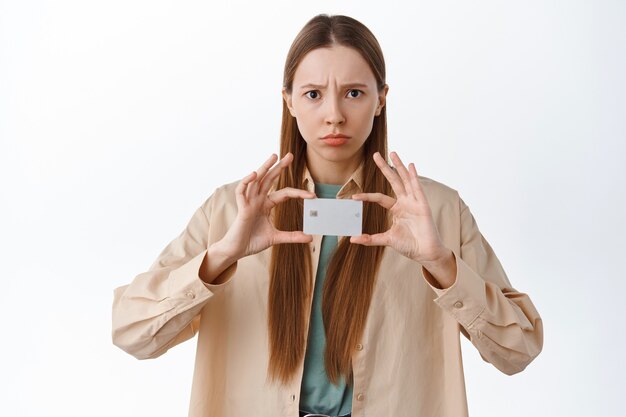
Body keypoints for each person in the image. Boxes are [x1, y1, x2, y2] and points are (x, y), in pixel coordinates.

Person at [112, 14, 543, 417]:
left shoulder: (438, 212)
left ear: (380, 99)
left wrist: (442, 265)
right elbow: (131, 333)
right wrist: (220, 257)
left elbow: (518, 349)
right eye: (313, 94)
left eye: (354, 92)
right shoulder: (231, 210)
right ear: (289, 102)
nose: (334, 114)